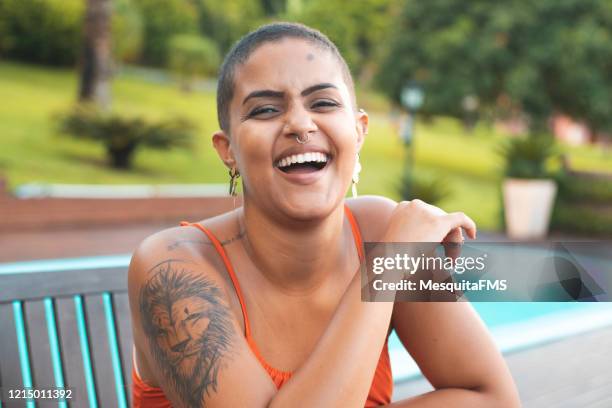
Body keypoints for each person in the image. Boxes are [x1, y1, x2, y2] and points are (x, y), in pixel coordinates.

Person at [128, 22, 520, 407]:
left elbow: (494, 398)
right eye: (265, 109)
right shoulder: (171, 270)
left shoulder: (381, 228)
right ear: (227, 149)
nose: (300, 124)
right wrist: (384, 264)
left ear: (359, 131)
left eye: (324, 103)